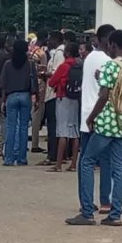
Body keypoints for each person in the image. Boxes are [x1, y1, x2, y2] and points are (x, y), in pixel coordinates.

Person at [67, 30, 122, 227]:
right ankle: (115, 213)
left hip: (106, 123)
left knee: (86, 161)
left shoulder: (112, 65)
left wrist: (91, 117)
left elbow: (104, 95)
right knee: (118, 167)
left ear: (112, 44)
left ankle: (87, 212)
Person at [78, 24, 114, 211]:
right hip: (102, 116)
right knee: (105, 161)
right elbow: (106, 92)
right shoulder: (109, 61)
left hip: (87, 115)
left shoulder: (90, 57)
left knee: (85, 161)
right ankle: (105, 201)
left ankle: (86, 201)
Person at [0, 40, 38, 166]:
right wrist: (36, 97)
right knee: (23, 128)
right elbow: (35, 83)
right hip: (25, 95)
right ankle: (22, 158)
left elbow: (3, 84)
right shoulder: (30, 64)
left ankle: (9, 158)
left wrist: (3, 100)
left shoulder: (8, 64)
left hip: (11, 96)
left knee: (11, 128)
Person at [47, 41, 81, 172]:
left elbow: (52, 82)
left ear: (67, 52)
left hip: (63, 97)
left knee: (62, 132)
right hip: (76, 98)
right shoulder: (79, 65)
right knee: (74, 131)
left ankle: (58, 164)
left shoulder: (64, 66)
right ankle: (73, 164)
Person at [41, 31, 65, 166]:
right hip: (52, 93)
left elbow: (57, 72)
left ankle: (53, 155)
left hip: (54, 93)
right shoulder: (56, 53)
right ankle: (53, 153)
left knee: (53, 125)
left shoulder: (59, 53)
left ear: (56, 40)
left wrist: (45, 73)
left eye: (50, 39)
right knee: (52, 124)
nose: (48, 42)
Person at [29, 32, 49, 154]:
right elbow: (43, 71)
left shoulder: (29, 51)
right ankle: (35, 144)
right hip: (39, 85)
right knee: (37, 114)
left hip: (27, 83)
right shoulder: (41, 54)